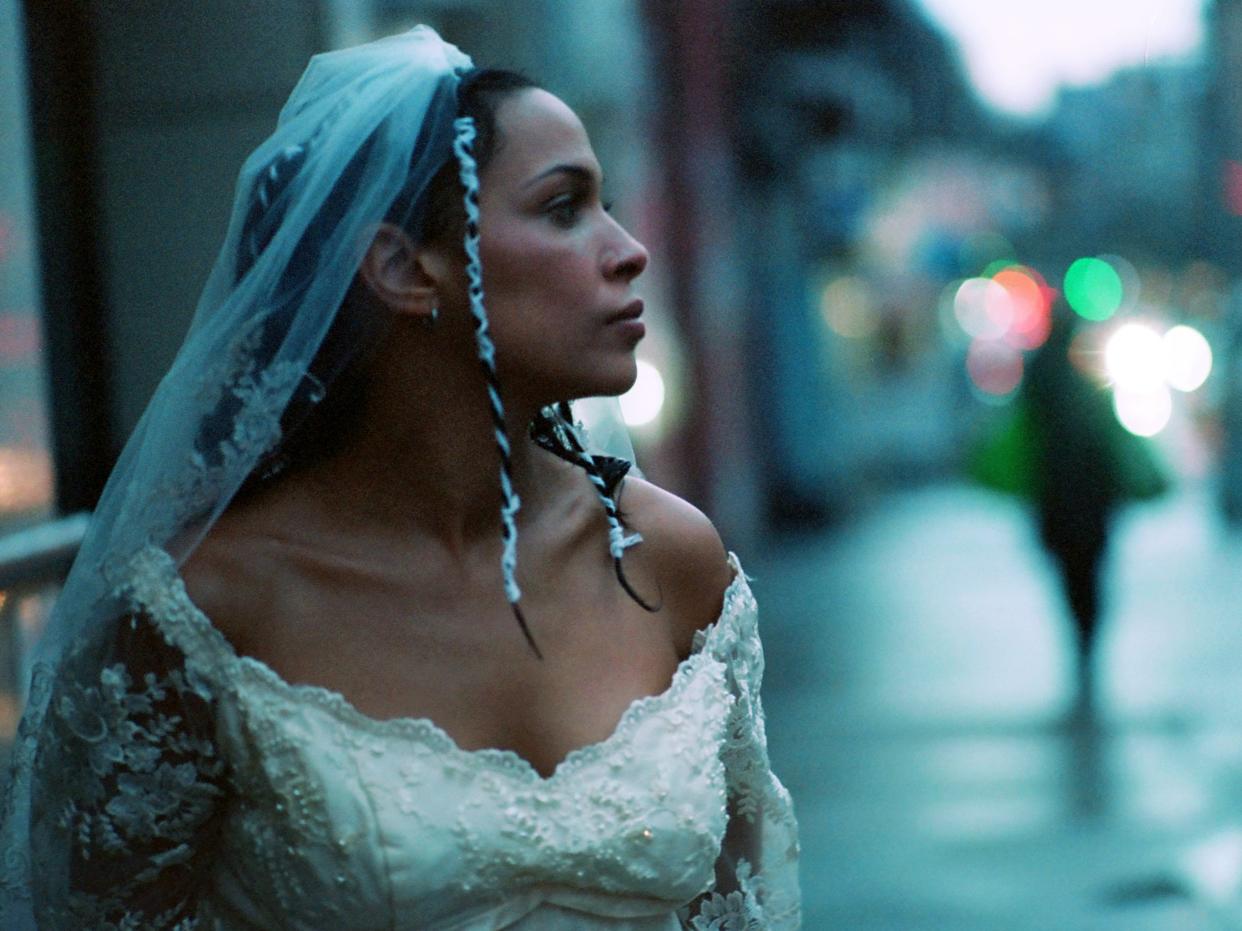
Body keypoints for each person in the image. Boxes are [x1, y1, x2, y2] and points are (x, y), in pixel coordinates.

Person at [0, 25, 800, 930]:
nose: (627, 249)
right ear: (402, 268)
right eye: (565, 206)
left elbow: (738, 904)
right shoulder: (203, 610)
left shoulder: (669, 558)